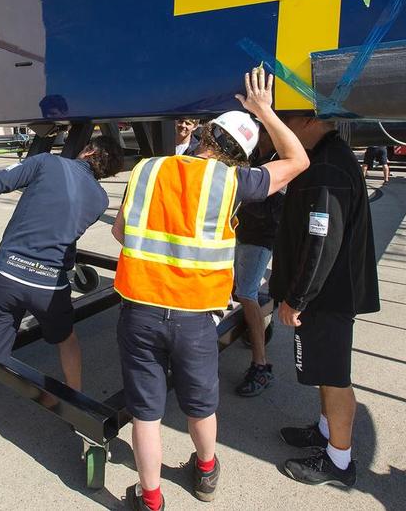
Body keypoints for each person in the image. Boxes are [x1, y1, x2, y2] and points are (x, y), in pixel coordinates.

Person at [113, 67, 309, 510]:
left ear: (202, 134)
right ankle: (205, 474)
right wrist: (264, 111)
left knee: (145, 414)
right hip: (195, 318)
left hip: (140, 311)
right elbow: (298, 160)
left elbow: (122, 234)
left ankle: (151, 500)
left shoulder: (147, 168)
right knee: (200, 405)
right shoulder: (234, 182)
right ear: (239, 155)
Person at [0, 135, 125, 480]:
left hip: (8, 277)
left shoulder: (47, 163)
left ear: (88, 150)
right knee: (66, 339)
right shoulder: (100, 199)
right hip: (50, 285)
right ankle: (76, 406)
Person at [269, 115, 380, 488]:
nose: (281, 125)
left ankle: (338, 461)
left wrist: (297, 298)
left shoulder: (328, 167)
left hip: (327, 297)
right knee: (323, 371)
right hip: (329, 293)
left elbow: (321, 241)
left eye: (287, 118)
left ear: (309, 120)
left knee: (334, 378)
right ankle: (324, 430)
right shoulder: (327, 156)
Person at [233, 133, 285, 398]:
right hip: (242, 233)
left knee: (246, 293)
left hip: (261, 237)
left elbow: (272, 206)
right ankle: (261, 325)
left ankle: (260, 365)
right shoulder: (254, 157)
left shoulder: (278, 162)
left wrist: (239, 192)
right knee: (240, 290)